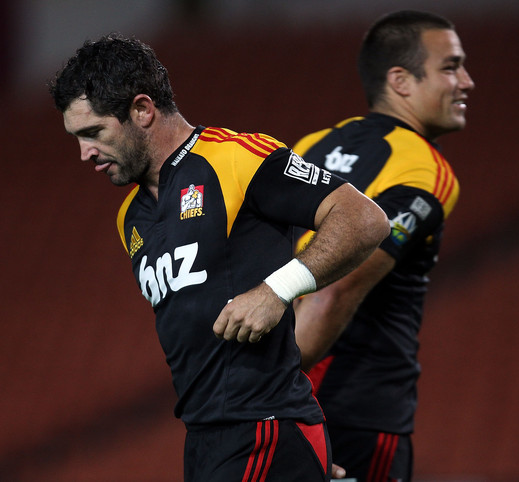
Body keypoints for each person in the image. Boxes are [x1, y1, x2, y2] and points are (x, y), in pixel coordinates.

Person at [49, 33, 390, 482]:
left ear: (142, 110)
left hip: (264, 426)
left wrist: (277, 290)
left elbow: (365, 219)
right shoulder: (129, 218)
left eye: (93, 133)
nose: (84, 153)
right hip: (207, 439)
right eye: (76, 138)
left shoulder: (236, 159)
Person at [292, 10, 475, 482]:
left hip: (286, 409)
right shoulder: (425, 170)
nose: (467, 82)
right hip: (358, 416)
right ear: (401, 81)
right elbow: (335, 291)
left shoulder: (310, 147)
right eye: (451, 67)